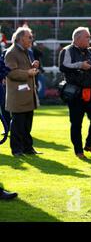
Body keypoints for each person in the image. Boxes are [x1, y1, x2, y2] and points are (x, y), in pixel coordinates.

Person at [59, 27, 91, 158]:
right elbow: (62, 66)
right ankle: (78, 151)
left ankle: (90, 144)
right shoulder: (66, 50)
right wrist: (80, 65)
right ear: (78, 38)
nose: (89, 39)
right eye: (87, 37)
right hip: (75, 93)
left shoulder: (90, 52)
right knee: (76, 123)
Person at [4, 27, 41, 157]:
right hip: (18, 96)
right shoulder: (12, 52)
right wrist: (28, 73)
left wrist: (33, 66)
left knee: (26, 125)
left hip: (26, 95)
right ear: (21, 38)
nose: (31, 39)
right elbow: (11, 72)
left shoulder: (25, 51)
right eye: (29, 37)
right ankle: (17, 150)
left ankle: (27, 148)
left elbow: (22, 69)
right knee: (18, 125)